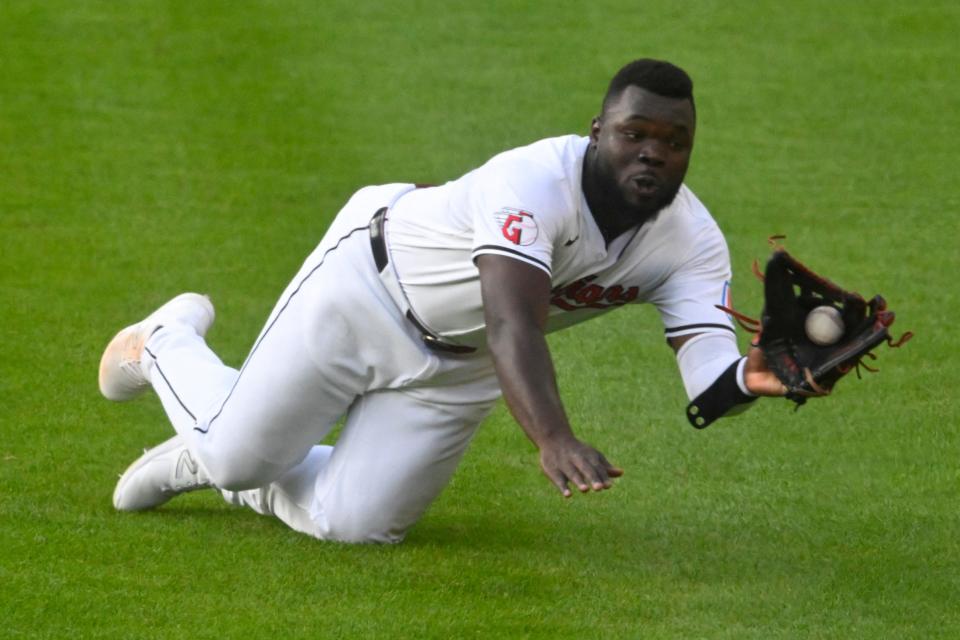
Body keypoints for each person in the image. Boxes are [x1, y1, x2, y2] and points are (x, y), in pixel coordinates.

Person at [98, 58, 787, 544]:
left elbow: (709, 377)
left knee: (356, 526)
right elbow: (511, 319)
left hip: (464, 368)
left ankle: (223, 453)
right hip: (364, 292)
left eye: (673, 142)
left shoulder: (692, 243)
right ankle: (164, 342)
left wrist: (757, 379)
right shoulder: (533, 181)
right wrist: (552, 438)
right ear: (597, 131)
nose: (652, 154)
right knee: (236, 456)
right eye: (634, 134)